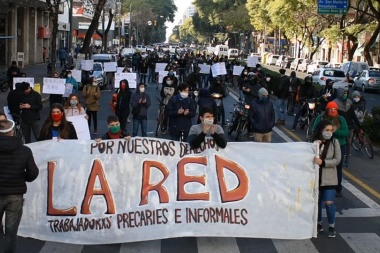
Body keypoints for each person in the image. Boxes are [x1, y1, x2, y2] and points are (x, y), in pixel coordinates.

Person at [0, 119, 39, 253]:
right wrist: (23, 178)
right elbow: (33, 173)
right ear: (12, 131)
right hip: (15, 195)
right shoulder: (24, 150)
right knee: (11, 232)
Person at [312, 119, 341, 238]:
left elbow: (337, 159)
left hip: (329, 178)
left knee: (329, 202)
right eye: (326, 130)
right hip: (316, 178)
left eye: (331, 130)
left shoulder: (335, 142)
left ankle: (331, 226)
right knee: (317, 203)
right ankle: (318, 224)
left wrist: (323, 162)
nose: (329, 132)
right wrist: (315, 146)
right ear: (321, 130)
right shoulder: (314, 142)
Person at [312, 101, 349, 197]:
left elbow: (346, 133)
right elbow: (314, 129)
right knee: (321, 165)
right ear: (327, 110)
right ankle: (321, 185)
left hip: (339, 146)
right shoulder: (320, 118)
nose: (333, 111)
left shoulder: (341, 119)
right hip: (323, 145)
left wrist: (336, 131)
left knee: (338, 168)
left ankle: (337, 188)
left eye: (335, 109)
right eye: (331, 109)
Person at [333, 88, 360, 168]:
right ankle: (337, 158)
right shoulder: (335, 103)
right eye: (344, 93)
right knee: (338, 143)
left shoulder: (349, 102)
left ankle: (347, 160)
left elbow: (353, 115)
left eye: (346, 93)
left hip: (349, 126)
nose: (345, 95)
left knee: (348, 143)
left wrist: (358, 125)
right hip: (340, 127)